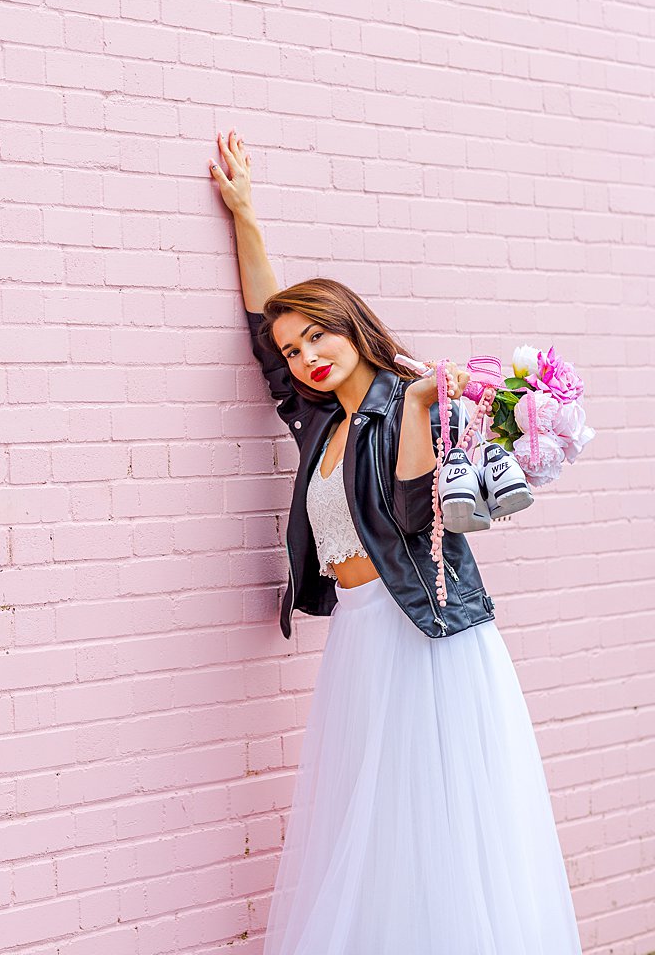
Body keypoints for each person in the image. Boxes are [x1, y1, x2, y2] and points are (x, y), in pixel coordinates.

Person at [209, 130, 584, 955]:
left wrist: (417, 409)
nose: (304, 357)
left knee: (434, 824)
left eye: (317, 337)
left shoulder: (403, 398)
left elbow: (420, 515)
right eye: (295, 348)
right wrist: (246, 217)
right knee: (374, 827)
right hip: (361, 634)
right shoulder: (322, 419)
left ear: (350, 326)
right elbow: (265, 336)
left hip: (426, 638)